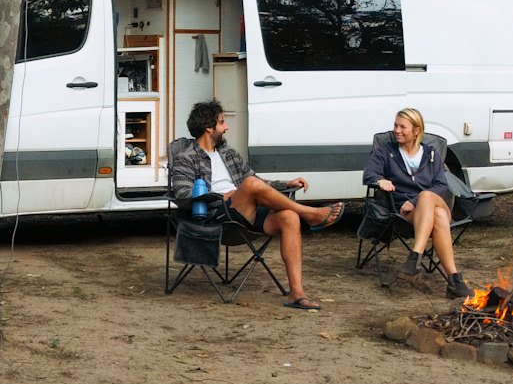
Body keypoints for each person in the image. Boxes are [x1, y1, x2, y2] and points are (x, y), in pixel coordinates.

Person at [169, 100, 341, 310]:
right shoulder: (185, 158)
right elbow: (183, 195)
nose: (227, 127)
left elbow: (256, 182)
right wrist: (221, 196)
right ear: (209, 128)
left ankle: (296, 294)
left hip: (245, 213)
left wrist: (285, 184)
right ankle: (311, 214)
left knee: (289, 217)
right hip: (216, 218)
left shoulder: (228, 153)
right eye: (222, 122)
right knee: (250, 186)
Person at [362, 107, 470, 299]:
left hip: (430, 202)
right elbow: (369, 174)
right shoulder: (386, 152)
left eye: (403, 127)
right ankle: (455, 280)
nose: (396, 130)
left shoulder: (431, 154)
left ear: (416, 131)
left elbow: (442, 186)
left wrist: (415, 200)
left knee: (427, 196)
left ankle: (414, 257)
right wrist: (380, 180)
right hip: (403, 213)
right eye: (395, 125)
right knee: (439, 216)